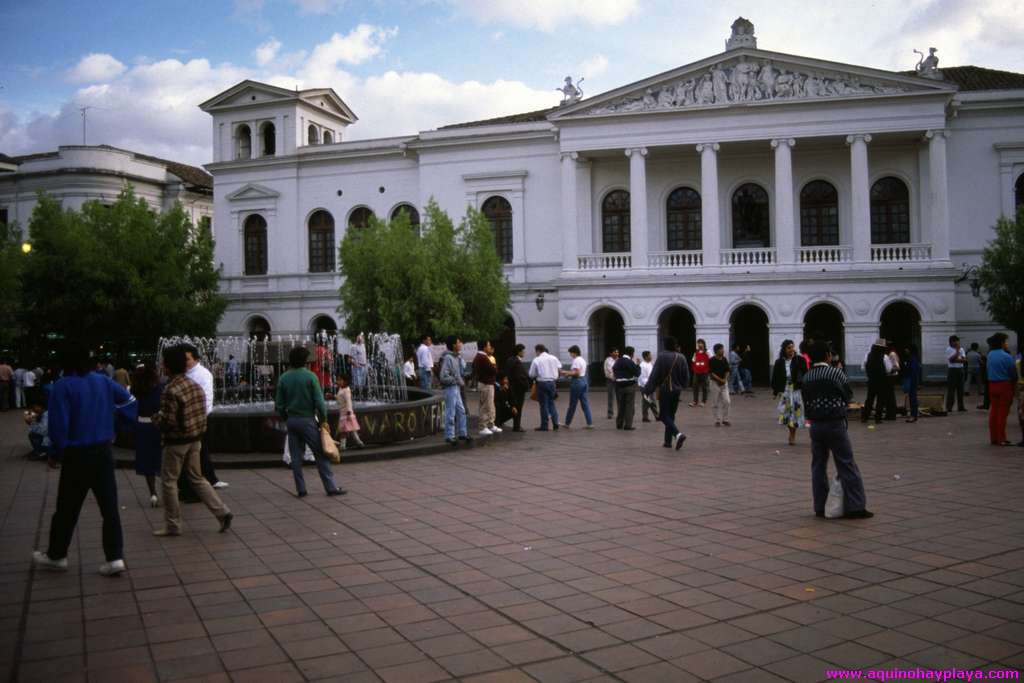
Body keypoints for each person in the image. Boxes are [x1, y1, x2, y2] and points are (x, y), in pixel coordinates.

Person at [32, 342, 137, 576]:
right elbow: (130, 402)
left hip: (76, 456)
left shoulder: (62, 386)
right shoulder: (103, 381)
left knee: (67, 508)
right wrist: (116, 424)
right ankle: (115, 557)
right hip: (103, 452)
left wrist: (55, 453)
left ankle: (57, 555)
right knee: (109, 507)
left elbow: (59, 426)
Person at [151, 346, 234, 536]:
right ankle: (222, 512)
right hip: (195, 440)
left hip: (177, 442)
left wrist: (156, 419)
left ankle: (173, 524)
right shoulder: (193, 384)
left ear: (168, 366)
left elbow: (169, 421)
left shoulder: (171, 389)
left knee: (169, 481)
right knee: (197, 478)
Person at [802, 340, 873, 519]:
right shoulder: (835, 373)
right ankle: (856, 506)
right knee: (846, 463)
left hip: (815, 425)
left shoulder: (807, 377)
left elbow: (806, 399)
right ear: (828, 355)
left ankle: (820, 506)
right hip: (834, 423)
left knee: (818, 465)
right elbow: (847, 395)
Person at [275, 346, 346, 497]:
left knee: (295, 457)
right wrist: (324, 420)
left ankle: (301, 489)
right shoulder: (310, 377)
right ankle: (331, 487)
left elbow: (279, 405)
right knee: (320, 453)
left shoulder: (283, 378)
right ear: (305, 361)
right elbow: (319, 403)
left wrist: (286, 417)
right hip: (307, 420)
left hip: (292, 421)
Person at [178, 344, 228, 498]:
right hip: (186, 419)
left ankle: (203, 483)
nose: (185, 362)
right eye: (183, 359)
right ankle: (202, 481)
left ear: (196, 359)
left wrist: (198, 419)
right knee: (197, 452)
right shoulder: (182, 373)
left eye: (187, 359)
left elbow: (207, 399)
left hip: (199, 419)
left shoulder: (203, 374)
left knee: (200, 451)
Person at [642, 336, 690, 450]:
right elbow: (686, 376)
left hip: (665, 390)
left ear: (665, 345)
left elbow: (654, 375)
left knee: (663, 415)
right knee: (671, 415)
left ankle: (678, 434)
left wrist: (648, 390)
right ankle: (667, 441)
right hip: (676, 391)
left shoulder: (662, 356)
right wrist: (682, 385)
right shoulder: (681, 357)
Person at [131, 363, 164, 508]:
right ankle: (168, 492)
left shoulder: (135, 389)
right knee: (162, 460)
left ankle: (153, 494)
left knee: (147, 463)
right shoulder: (159, 388)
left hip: (142, 427)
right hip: (157, 426)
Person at [985, 333, 1017, 446]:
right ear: (1002, 343)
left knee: (994, 411)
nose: (1007, 344)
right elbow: (1013, 373)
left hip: (992, 385)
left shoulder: (990, 355)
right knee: (1002, 413)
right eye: (1006, 342)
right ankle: (1001, 438)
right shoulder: (1006, 356)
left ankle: (993, 437)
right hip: (1004, 385)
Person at [772, 339, 806, 445]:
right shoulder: (779, 362)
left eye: (792, 347)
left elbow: (805, 374)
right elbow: (775, 377)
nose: (791, 349)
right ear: (784, 349)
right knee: (787, 414)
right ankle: (791, 433)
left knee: (795, 414)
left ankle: (792, 435)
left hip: (796, 390)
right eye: (789, 347)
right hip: (785, 390)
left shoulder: (799, 360)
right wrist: (776, 391)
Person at [440, 336, 471, 444]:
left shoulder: (457, 357)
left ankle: (462, 433)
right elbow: (443, 376)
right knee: (451, 411)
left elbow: (459, 373)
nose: (460, 344)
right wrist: (456, 380)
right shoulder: (448, 358)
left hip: (456, 387)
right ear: (453, 345)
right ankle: (449, 435)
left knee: (461, 410)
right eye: (458, 342)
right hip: (451, 388)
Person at [529, 344, 562, 431]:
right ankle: (555, 423)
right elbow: (559, 368)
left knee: (543, 405)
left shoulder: (537, 360)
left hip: (542, 383)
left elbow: (531, 374)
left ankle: (544, 425)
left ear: (538, 351)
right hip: (552, 383)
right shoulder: (554, 358)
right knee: (551, 403)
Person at [561, 345, 593, 429]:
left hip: (577, 382)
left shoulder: (576, 360)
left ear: (574, 352)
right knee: (585, 404)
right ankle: (590, 423)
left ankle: (567, 423)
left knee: (572, 404)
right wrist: (569, 373)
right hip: (583, 380)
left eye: (570, 353)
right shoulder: (582, 360)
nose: (570, 355)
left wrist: (565, 372)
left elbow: (576, 373)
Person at [473, 340, 500, 435]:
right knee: (486, 406)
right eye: (488, 345)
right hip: (486, 384)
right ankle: (482, 426)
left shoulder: (482, 357)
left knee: (490, 405)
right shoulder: (483, 357)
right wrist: (494, 366)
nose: (490, 347)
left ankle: (490, 424)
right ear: (484, 347)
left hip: (487, 383)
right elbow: (493, 370)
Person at [861, 340, 891, 424]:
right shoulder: (884, 357)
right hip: (881, 381)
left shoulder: (868, 355)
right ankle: (878, 419)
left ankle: (865, 417)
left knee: (869, 399)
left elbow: (863, 367)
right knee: (880, 400)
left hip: (871, 380)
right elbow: (889, 369)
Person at [612, 346, 641, 430]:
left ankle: (619, 424)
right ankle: (628, 425)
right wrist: (638, 365)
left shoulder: (618, 361)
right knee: (629, 406)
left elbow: (614, 369)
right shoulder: (630, 362)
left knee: (621, 406)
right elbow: (637, 373)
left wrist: (619, 377)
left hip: (619, 386)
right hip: (629, 386)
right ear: (632, 353)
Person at [335, 372, 365, 450]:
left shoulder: (346, 390)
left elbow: (348, 401)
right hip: (343, 412)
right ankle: (359, 442)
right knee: (352, 429)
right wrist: (332, 396)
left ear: (345, 381)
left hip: (346, 413)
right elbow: (340, 398)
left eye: (339, 380)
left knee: (343, 430)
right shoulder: (341, 389)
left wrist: (348, 412)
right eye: (337, 380)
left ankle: (343, 446)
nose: (338, 382)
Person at [504, 344, 529, 432]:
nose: (524, 353)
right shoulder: (516, 361)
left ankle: (513, 424)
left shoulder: (510, 360)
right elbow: (519, 376)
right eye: (523, 351)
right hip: (517, 388)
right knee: (517, 406)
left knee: (513, 405)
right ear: (519, 352)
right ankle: (516, 426)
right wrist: (525, 384)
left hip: (513, 386)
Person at [708, 343, 731, 427]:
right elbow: (711, 373)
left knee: (727, 401)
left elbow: (727, 370)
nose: (723, 350)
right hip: (714, 383)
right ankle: (717, 420)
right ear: (717, 351)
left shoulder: (724, 359)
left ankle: (725, 419)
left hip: (724, 383)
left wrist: (725, 379)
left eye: (723, 349)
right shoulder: (711, 360)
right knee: (715, 403)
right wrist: (720, 379)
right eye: (721, 349)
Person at [945, 335, 967, 413]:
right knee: (951, 389)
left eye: (958, 341)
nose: (957, 343)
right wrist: (957, 352)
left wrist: (956, 359)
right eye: (955, 341)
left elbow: (964, 360)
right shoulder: (948, 349)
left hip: (960, 370)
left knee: (961, 389)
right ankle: (949, 407)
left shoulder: (962, 349)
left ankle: (961, 406)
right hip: (952, 370)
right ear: (951, 342)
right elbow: (951, 360)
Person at [902, 344, 923, 423]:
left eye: (907, 349)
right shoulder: (913, 358)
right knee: (912, 398)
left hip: (912, 380)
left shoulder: (912, 359)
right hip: (912, 379)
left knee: (913, 398)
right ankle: (913, 415)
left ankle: (913, 415)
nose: (905, 350)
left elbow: (913, 370)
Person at [638, 351, 658, 422]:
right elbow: (642, 378)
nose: (651, 357)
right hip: (645, 386)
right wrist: (648, 386)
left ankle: (651, 416)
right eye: (650, 355)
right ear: (646, 357)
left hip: (650, 385)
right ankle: (650, 416)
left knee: (649, 401)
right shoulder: (642, 365)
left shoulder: (650, 364)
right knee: (649, 401)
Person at [689, 339, 710, 407]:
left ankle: (703, 401)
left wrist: (708, 370)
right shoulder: (696, 352)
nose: (699, 345)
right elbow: (693, 361)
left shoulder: (708, 352)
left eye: (701, 343)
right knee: (695, 386)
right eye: (698, 343)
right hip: (696, 372)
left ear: (704, 344)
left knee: (704, 387)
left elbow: (711, 361)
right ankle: (695, 401)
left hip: (704, 372)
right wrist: (694, 369)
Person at [603, 348, 620, 419]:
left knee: (620, 397)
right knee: (611, 397)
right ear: (611, 353)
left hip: (618, 381)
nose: (616, 353)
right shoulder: (608, 360)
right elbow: (610, 370)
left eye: (617, 352)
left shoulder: (619, 360)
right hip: (610, 380)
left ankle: (620, 412)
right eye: (614, 352)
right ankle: (610, 413)